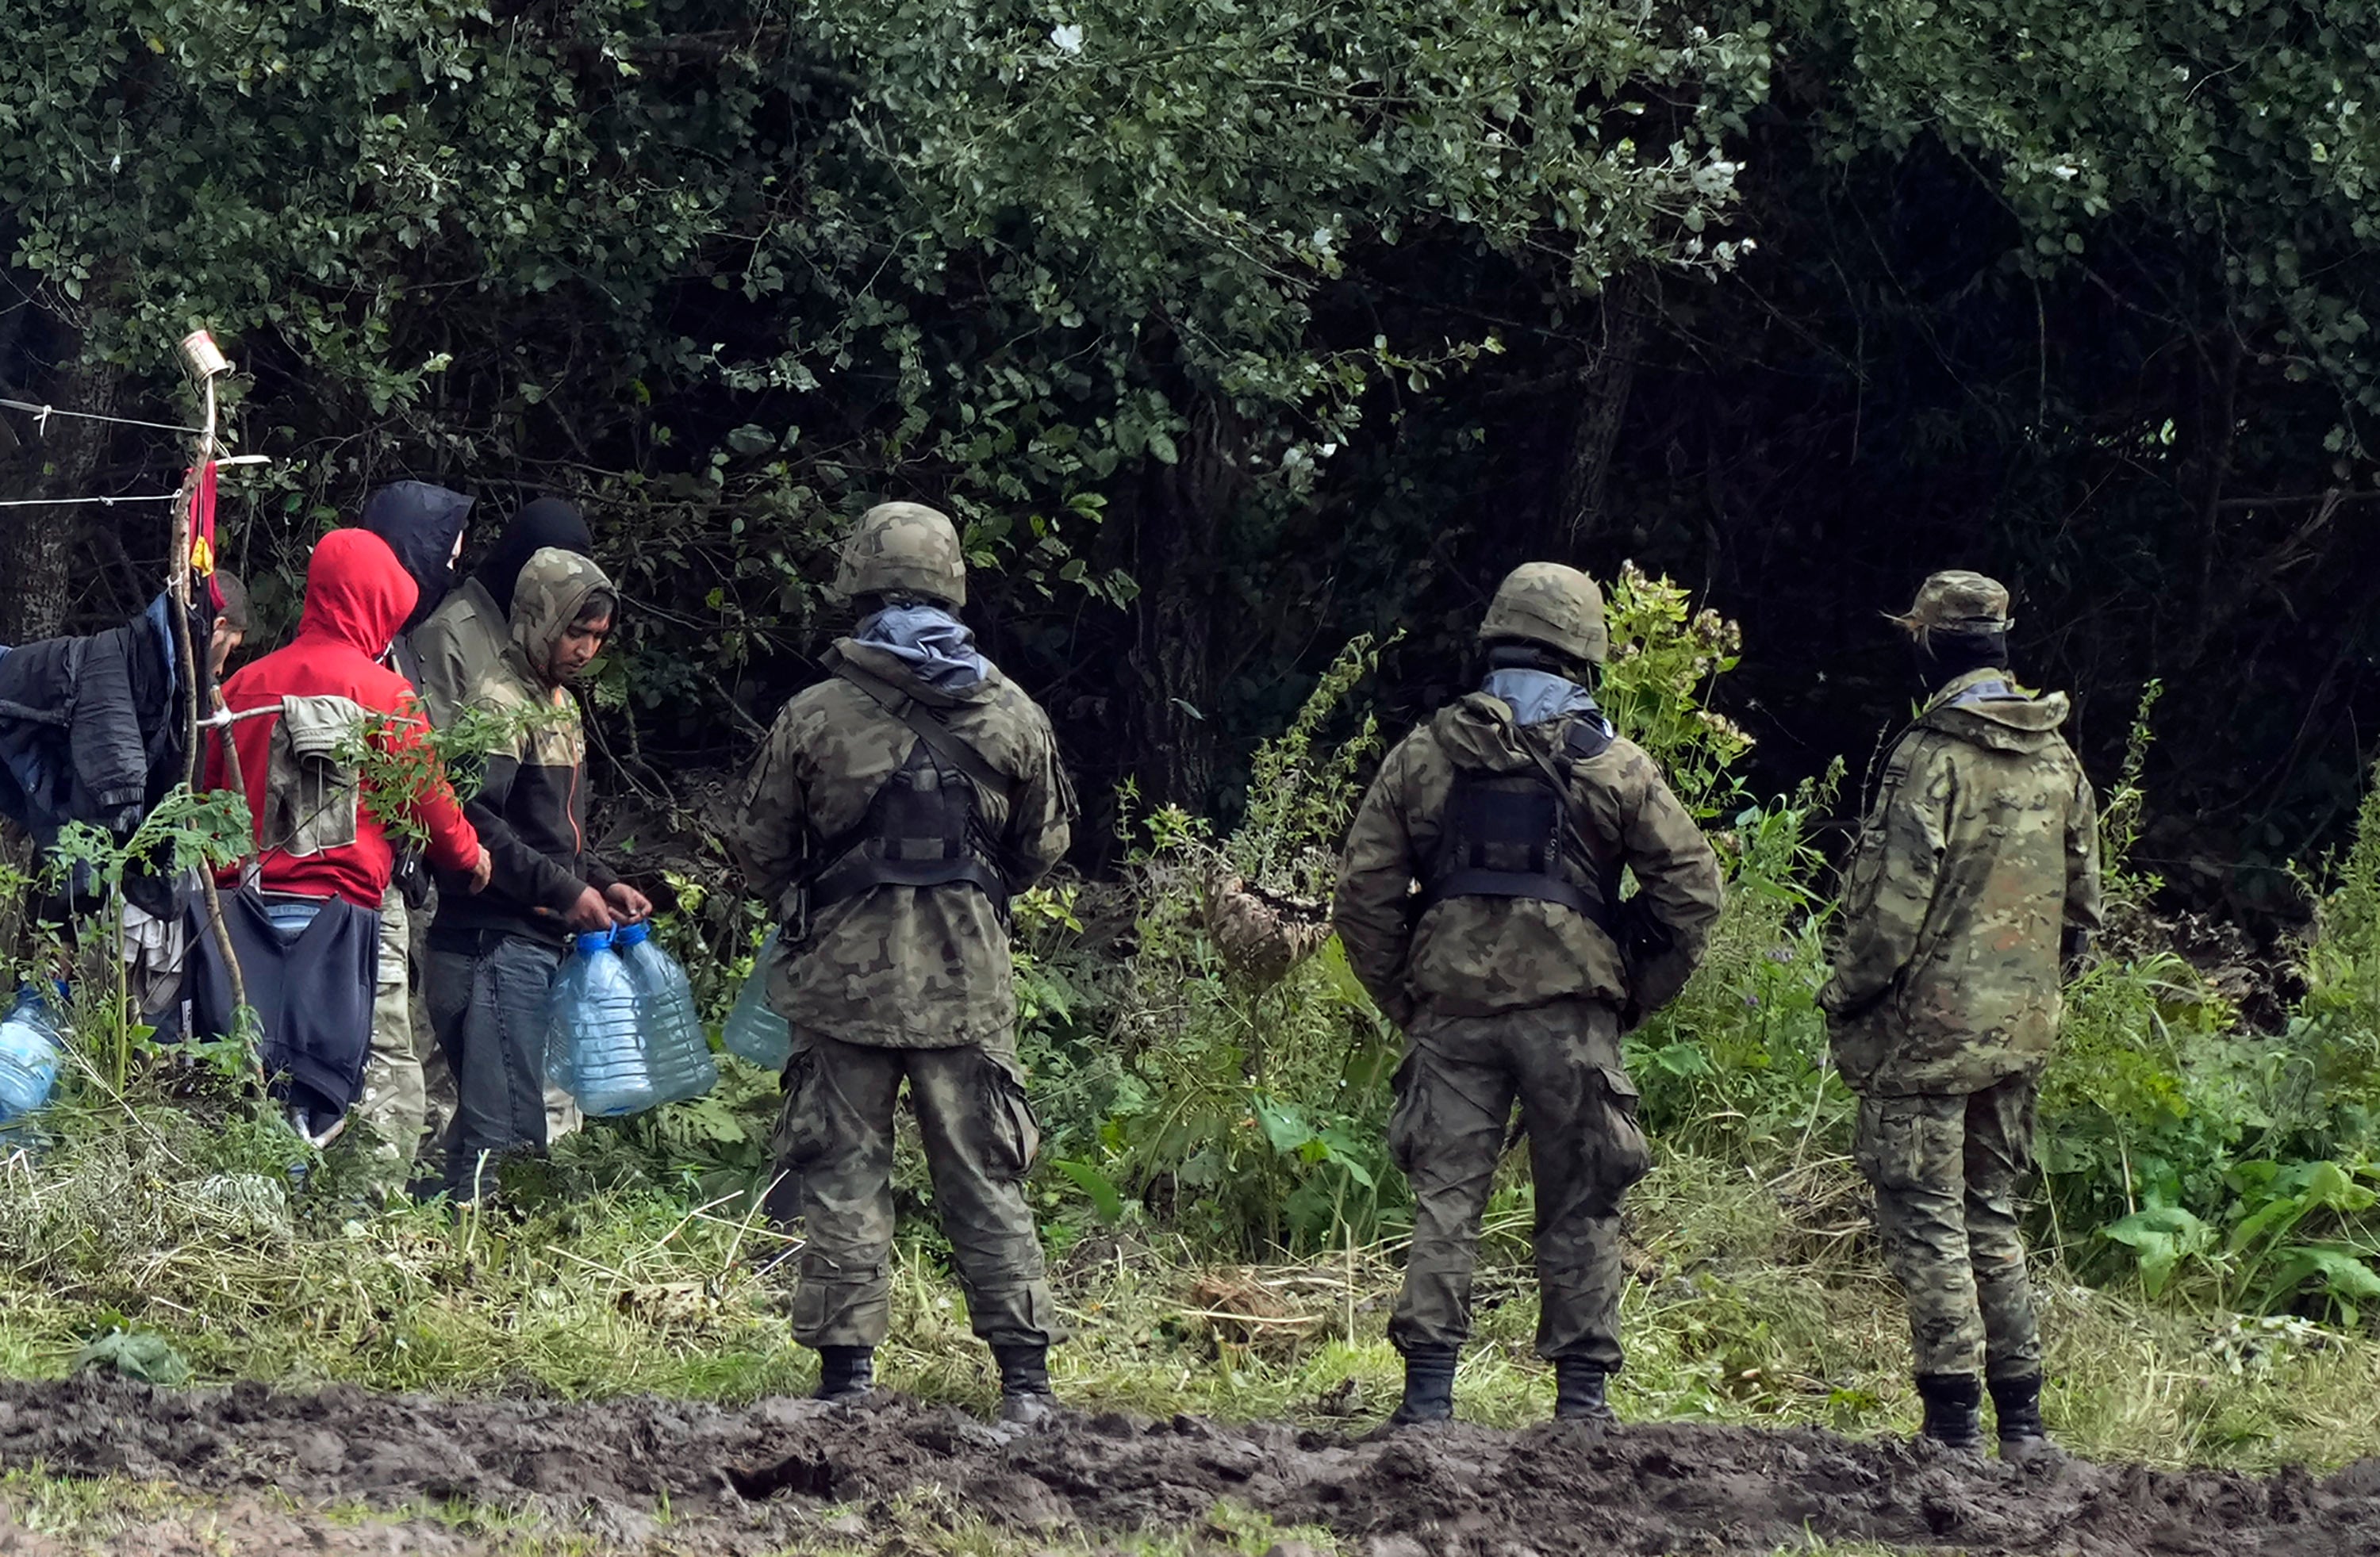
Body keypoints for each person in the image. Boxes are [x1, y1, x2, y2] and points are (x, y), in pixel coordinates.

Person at [1334, 562, 1724, 1429]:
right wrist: (1632, 992)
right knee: (1584, 1201)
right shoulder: (1615, 766)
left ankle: (1428, 1402)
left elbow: (1361, 896)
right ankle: (1581, 1406)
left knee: (1446, 1200)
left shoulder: (1425, 754)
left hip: (1452, 1013)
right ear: (1583, 654)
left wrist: (1409, 997)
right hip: (1573, 1016)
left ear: (1495, 640)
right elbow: (1695, 893)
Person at [729, 501, 1076, 1425]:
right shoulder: (1012, 714)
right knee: (986, 1175)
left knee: (840, 1175)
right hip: (966, 986)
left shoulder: (813, 715)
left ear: (858, 585)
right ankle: (1027, 1385)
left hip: (842, 985)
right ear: (954, 587)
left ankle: (847, 1385)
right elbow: (1044, 846)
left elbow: (759, 849)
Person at [1820, 570, 2102, 1463]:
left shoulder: (1930, 755)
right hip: (2017, 1035)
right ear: (2004, 637)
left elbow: (1887, 914)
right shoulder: (2060, 759)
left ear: (1930, 642)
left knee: (1929, 1221)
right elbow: (2084, 915)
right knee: (1994, 1215)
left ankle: (1952, 1433)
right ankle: (2022, 1425)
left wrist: (1847, 994)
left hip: (1924, 1038)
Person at [201, 530, 490, 1189]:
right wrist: (472, 858)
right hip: (347, 919)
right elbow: (430, 804)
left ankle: (254, 1195)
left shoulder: (244, 684)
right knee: (376, 1065)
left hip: (243, 913)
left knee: (256, 1062)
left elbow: (210, 798)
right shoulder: (388, 697)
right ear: (376, 604)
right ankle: (360, 1210)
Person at [428, 546, 648, 1199]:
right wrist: (565, 890)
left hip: (535, 935)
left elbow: (554, 830)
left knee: (495, 1127)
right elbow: (478, 821)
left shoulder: (558, 705)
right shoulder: (496, 700)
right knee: (507, 1136)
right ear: (537, 617)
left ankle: (463, 1254)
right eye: (575, 631)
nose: (585, 649)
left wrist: (602, 880)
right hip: (490, 939)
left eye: (598, 637)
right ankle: (485, 1266)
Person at [409, 493, 592, 1152]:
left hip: (525, 889)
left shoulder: (552, 682)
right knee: (474, 1095)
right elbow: (459, 782)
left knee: (502, 1094)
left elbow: (558, 810)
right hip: (471, 879)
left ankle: (461, 1200)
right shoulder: (455, 631)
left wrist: (579, 877)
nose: (586, 647)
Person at [353, 481, 474, 1185]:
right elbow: (412, 775)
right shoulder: (374, 658)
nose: (452, 570)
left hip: (410, 872)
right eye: (445, 555)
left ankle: (422, 1167)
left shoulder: (403, 645)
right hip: (376, 879)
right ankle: (379, 1188)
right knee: (389, 1039)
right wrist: (460, 847)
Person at [414, 497, 593, 727]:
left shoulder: (533, 632)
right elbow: (430, 749)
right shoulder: (449, 632)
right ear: (527, 565)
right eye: (559, 579)